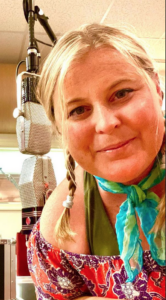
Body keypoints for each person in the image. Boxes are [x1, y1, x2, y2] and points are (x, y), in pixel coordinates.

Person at [27, 23, 165, 300]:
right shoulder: (60, 223)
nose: (106, 124)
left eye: (122, 93)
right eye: (79, 110)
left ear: (157, 88)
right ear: (60, 127)